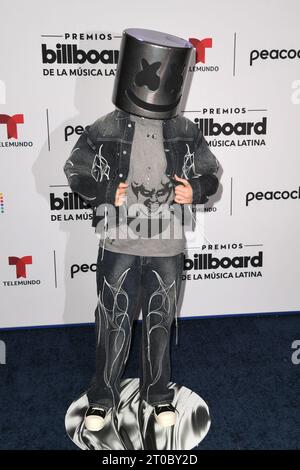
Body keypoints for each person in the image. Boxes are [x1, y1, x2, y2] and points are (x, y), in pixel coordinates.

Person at [64, 28, 219, 432]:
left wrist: (197, 189)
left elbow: (211, 173)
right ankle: (101, 399)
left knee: (159, 321)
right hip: (118, 240)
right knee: (112, 321)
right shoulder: (105, 126)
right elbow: (74, 168)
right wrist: (100, 190)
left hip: (167, 245)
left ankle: (158, 395)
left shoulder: (185, 129)